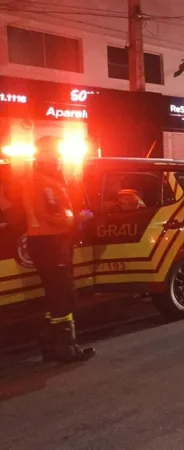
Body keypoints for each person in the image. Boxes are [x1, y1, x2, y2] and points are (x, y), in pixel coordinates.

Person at [25, 136, 95, 363]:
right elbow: (54, 215)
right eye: (56, 154)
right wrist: (77, 219)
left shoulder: (37, 179)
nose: (59, 158)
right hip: (51, 243)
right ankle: (66, 348)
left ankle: (50, 344)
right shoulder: (45, 184)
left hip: (45, 243)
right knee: (63, 295)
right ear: (46, 155)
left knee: (55, 295)